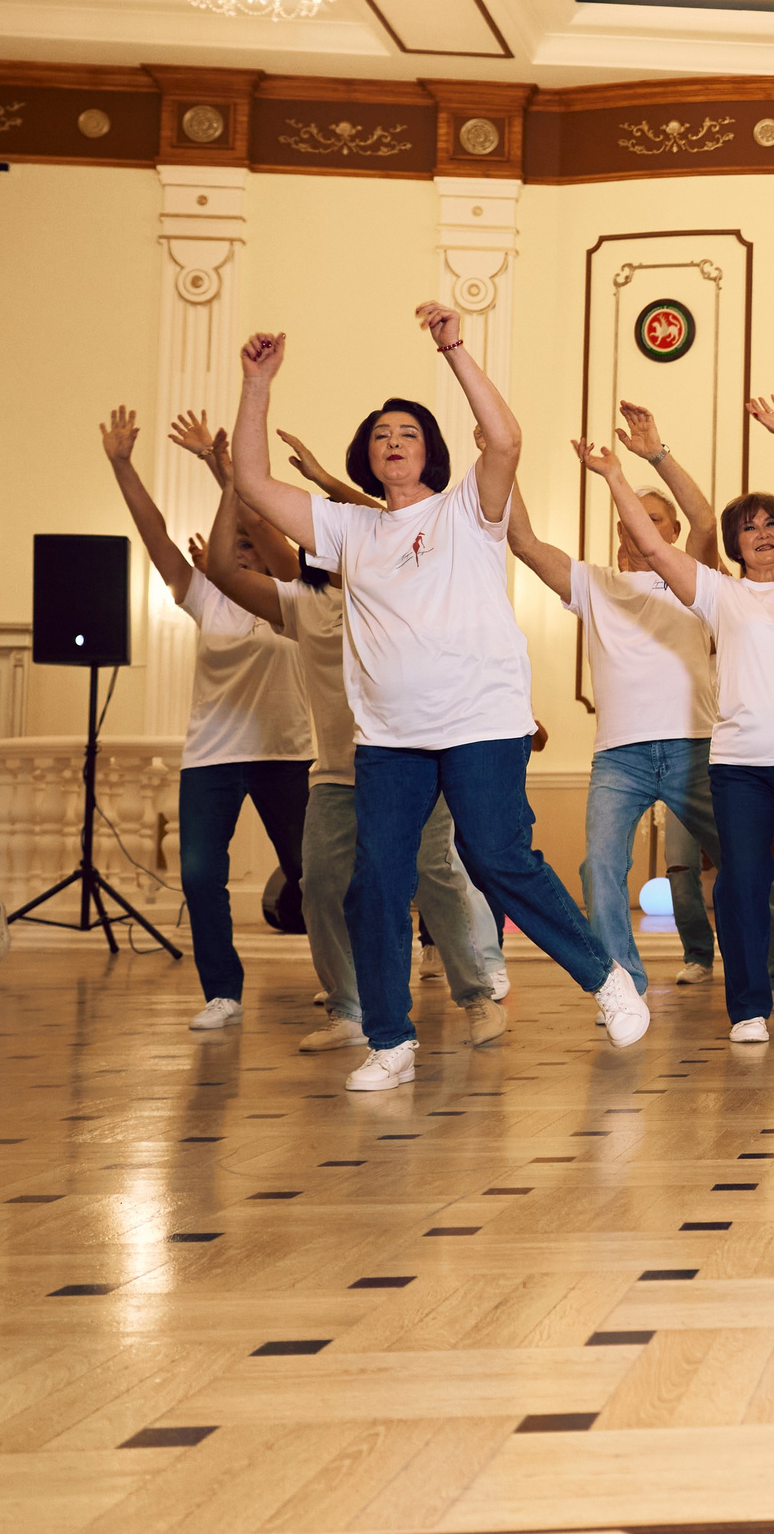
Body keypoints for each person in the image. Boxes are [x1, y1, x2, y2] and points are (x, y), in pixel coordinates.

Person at [230, 313, 648, 1092]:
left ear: (430, 450)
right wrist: (257, 385)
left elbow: (507, 441)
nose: (395, 442)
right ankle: (390, 1041)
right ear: (367, 454)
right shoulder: (349, 527)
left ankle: (606, 977)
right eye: (383, 434)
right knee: (378, 880)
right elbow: (253, 483)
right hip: (389, 737)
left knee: (497, 858)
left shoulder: (467, 510)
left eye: (409, 433)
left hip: (482, 722)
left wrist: (453, 350)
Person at [195, 448, 509, 1052]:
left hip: (414, 760)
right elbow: (225, 568)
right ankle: (348, 1008)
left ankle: (475, 996)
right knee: (319, 884)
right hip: (339, 773)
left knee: (433, 874)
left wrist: (327, 482)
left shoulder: (400, 592)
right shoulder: (303, 604)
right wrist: (233, 483)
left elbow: (399, 522)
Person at [581, 393, 774, 1043]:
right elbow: (649, 540)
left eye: (771, 524)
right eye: (749, 526)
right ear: (735, 542)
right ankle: (749, 1007)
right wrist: (619, 475)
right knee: (741, 880)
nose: (762, 532)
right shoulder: (720, 594)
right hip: (740, 765)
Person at [508, 401, 774, 1001]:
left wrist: (655, 454)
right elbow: (526, 542)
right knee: (599, 870)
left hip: (696, 747)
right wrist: (498, 461)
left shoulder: (693, 576)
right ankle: (623, 988)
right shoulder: (594, 584)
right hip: (620, 758)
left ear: (670, 533)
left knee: (746, 864)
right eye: (636, 516)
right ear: (621, 528)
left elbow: (706, 516)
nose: (646, 525)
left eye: (659, 518)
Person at [104, 406, 317, 1032]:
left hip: (286, 755)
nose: (245, 553)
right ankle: (223, 991)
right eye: (237, 547)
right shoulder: (205, 597)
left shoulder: (296, 599)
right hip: (213, 758)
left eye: (255, 545)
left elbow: (266, 525)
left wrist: (225, 471)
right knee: (200, 873)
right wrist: (123, 466)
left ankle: (344, 984)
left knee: (319, 876)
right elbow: (157, 537)